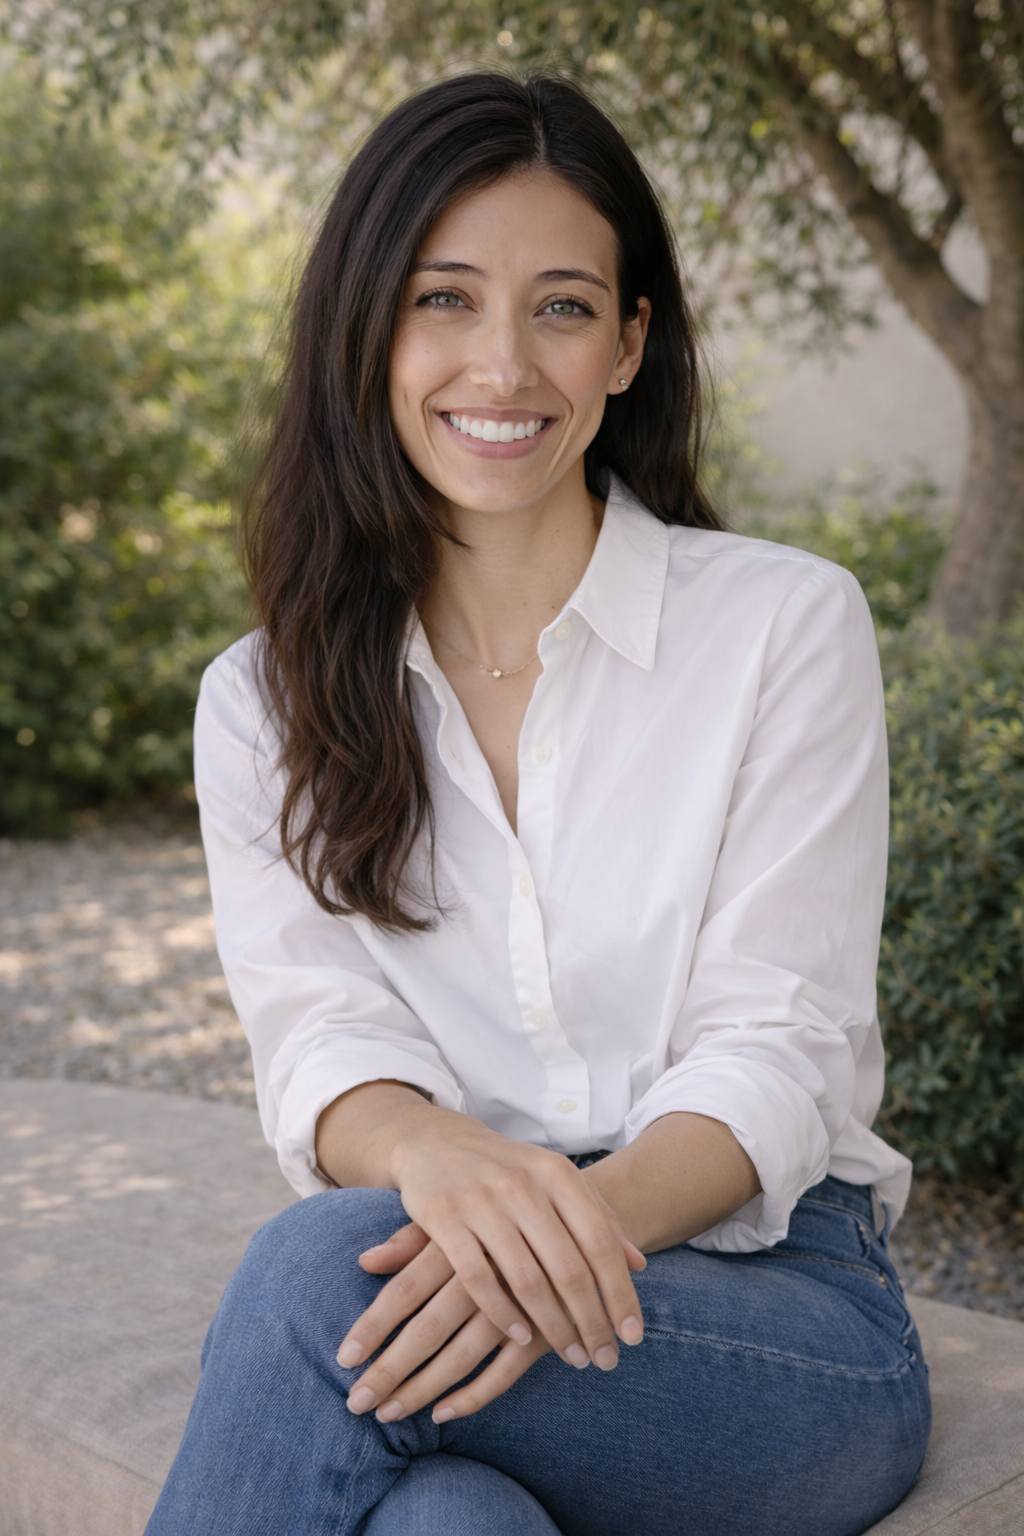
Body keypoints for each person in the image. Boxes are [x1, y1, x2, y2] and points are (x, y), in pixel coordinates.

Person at [144, 72, 930, 1536]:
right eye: (445, 298)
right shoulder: (264, 698)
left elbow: (781, 1044)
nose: (502, 365)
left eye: (563, 307)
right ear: (365, 330)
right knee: (448, 1526)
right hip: (445, 1231)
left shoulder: (781, 627)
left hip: (775, 1320)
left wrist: (561, 1235)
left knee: (314, 1280)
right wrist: (437, 1157)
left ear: (630, 345)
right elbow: (323, 1034)